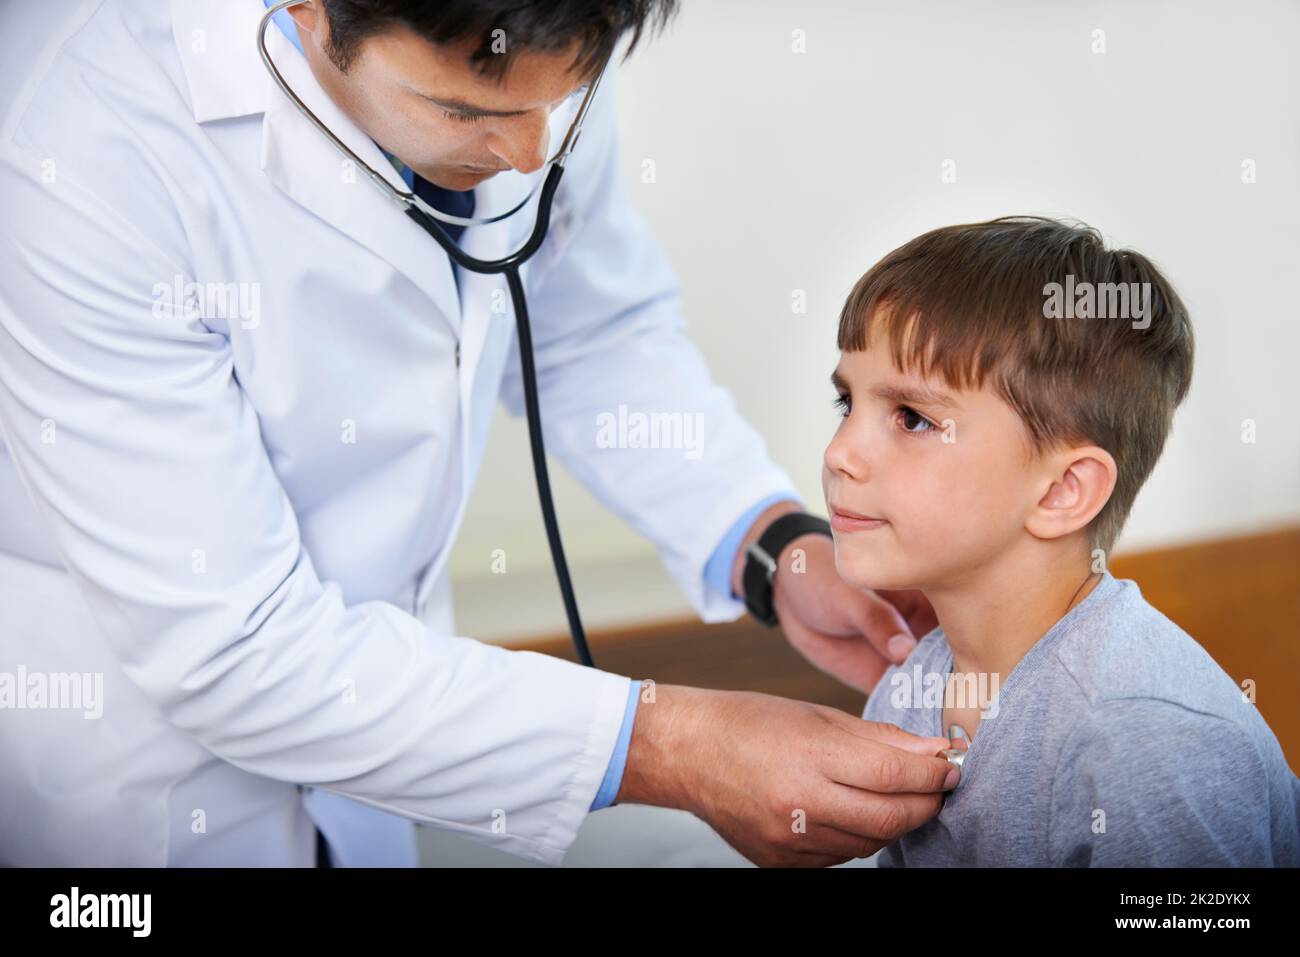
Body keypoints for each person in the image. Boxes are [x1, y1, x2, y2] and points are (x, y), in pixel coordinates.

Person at [0, 0, 957, 867]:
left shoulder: (535, 38)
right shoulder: (79, 140)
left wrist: (774, 547)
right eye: (465, 114)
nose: (533, 155)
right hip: (146, 771)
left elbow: (588, 329)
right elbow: (236, 648)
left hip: (385, 722)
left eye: (569, 99)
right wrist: (673, 744)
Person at [826, 216, 1300, 865]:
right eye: (844, 403)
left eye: (911, 417)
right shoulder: (911, 688)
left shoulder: (1142, 733)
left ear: (1062, 491)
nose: (840, 452)